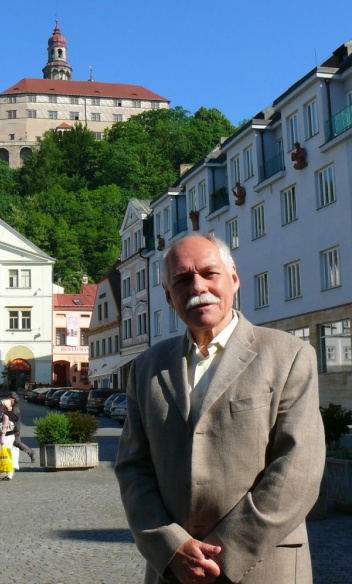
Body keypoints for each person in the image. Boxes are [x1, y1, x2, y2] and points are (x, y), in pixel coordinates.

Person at [115, 233, 325, 584]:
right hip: (173, 569)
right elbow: (133, 468)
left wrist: (224, 551)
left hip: (264, 565)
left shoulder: (288, 355)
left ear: (234, 278)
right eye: (182, 280)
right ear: (169, 297)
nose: (198, 286)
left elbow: (298, 468)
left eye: (209, 273)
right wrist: (171, 547)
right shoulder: (147, 367)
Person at [0, 399, 19, 481]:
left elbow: (5, 426)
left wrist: (2, 437)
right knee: (9, 454)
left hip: (6, 436)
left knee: (0, 454)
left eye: (1, 405)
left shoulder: (6, 414)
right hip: (11, 436)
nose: (0, 406)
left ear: (5, 405)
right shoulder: (12, 414)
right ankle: (9, 474)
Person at [8, 391, 35, 462]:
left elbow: (14, 417)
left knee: (17, 443)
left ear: (14, 399)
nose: (9, 399)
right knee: (9, 442)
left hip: (14, 429)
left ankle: (31, 452)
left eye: (10, 398)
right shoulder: (12, 406)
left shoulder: (15, 408)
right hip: (12, 428)